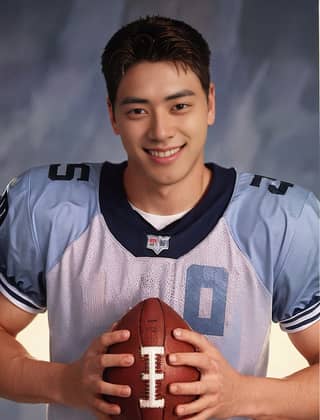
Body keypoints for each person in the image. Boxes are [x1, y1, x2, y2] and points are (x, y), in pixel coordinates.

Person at [0, 15, 318, 420]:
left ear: (211, 104)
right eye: (137, 111)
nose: (161, 131)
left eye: (180, 105)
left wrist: (241, 396)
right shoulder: (47, 207)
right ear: (113, 115)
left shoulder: (279, 220)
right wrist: (64, 383)